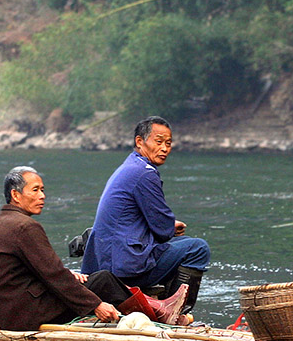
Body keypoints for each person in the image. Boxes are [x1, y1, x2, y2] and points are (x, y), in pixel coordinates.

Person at [0, 166, 189, 331]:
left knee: (92, 279)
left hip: (8, 314)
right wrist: (95, 305)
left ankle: (155, 308)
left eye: (43, 190)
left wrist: (69, 275)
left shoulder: (0, 224)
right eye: (35, 190)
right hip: (24, 317)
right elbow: (53, 275)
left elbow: (29, 271)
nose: (42, 196)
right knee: (103, 281)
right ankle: (159, 316)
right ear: (15, 195)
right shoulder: (24, 227)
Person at [81, 116, 210, 318]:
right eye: (158, 142)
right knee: (198, 248)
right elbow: (163, 229)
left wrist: (167, 226)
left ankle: (162, 304)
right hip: (125, 268)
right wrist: (171, 226)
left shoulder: (130, 166)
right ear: (140, 142)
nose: (165, 148)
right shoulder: (145, 173)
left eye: (168, 143)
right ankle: (175, 314)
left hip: (106, 262)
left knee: (183, 244)